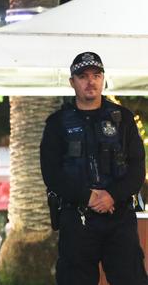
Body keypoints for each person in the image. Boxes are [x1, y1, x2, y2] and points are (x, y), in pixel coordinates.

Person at [40, 51, 147, 285]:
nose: (91, 81)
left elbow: (137, 168)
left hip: (118, 216)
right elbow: (51, 173)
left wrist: (112, 196)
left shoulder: (123, 118)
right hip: (77, 219)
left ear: (103, 79)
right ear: (72, 82)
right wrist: (87, 197)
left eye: (96, 75)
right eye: (83, 76)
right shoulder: (57, 123)